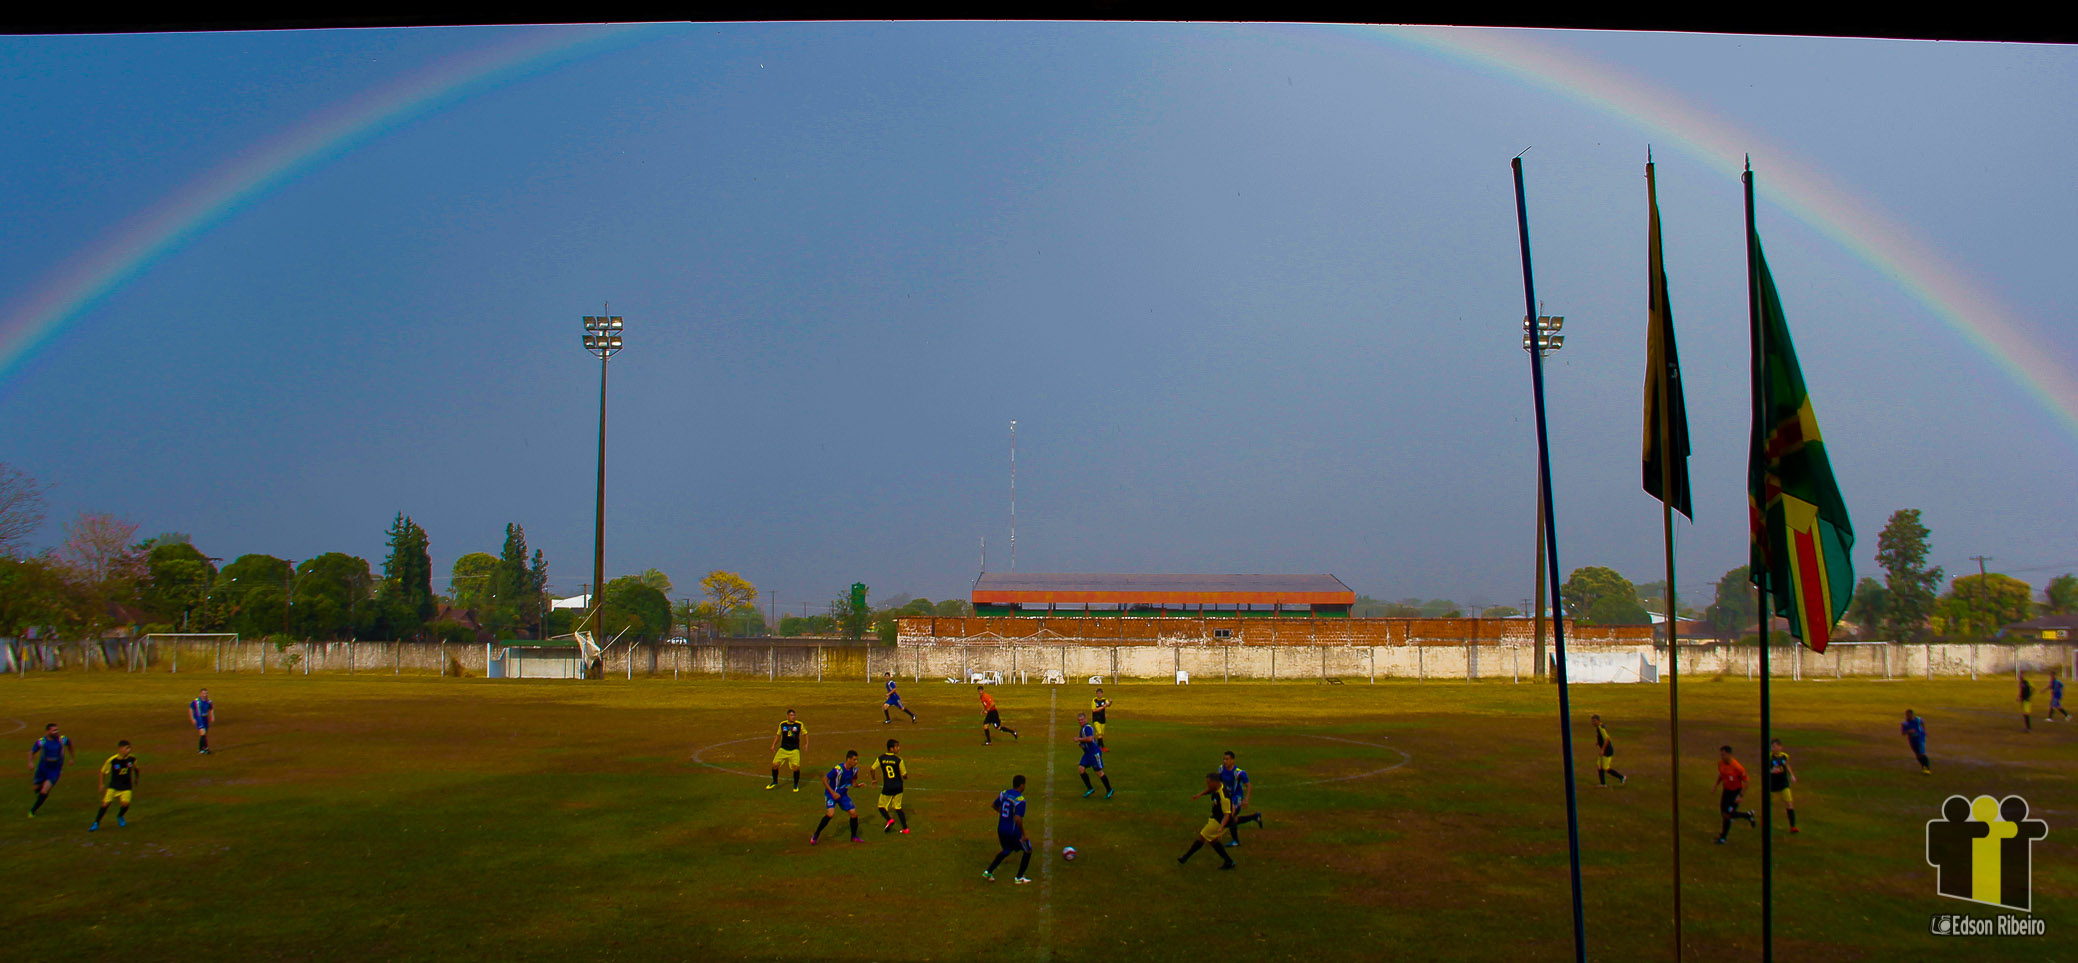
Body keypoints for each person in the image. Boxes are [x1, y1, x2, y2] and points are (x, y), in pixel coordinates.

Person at [1180, 772, 1237, 870]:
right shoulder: (1218, 787)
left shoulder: (1223, 796)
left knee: (1202, 837)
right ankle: (1229, 861)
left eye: (1209, 782)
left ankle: (1185, 857)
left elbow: (1227, 815)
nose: (1207, 784)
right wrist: (1199, 795)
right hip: (1215, 818)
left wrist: (1220, 828)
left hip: (1220, 821)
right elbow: (1210, 790)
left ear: (1215, 782)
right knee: (1212, 841)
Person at [984, 774, 1033, 883]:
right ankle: (1019, 877)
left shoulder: (1004, 793)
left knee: (1007, 850)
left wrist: (1003, 815)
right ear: (1021, 785)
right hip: (1012, 832)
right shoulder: (1020, 800)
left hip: (1001, 829)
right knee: (1028, 850)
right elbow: (1018, 819)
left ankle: (988, 871)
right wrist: (1023, 834)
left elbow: (994, 805)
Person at [811, 750, 863, 845]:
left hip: (843, 795)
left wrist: (857, 785)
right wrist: (833, 793)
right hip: (831, 794)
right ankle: (816, 835)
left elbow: (853, 783)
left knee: (854, 814)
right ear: (848, 759)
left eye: (857, 760)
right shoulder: (838, 769)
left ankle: (854, 836)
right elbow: (824, 780)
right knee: (830, 814)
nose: (856, 762)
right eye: (854, 760)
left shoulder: (855, 770)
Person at [89, 740, 139, 832]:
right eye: (127, 748)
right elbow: (102, 771)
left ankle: (120, 816)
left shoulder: (132, 759)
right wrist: (101, 784)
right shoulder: (112, 760)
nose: (129, 750)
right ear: (120, 749)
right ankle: (96, 823)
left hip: (126, 786)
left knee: (125, 804)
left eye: (129, 748)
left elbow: (136, 769)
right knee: (105, 804)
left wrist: (136, 779)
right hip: (114, 786)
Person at [1713, 745, 1756, 845]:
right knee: (1724, 813)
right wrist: (1715, 785)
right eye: (1721, 755)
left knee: (1728, 814)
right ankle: (1748, 815)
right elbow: (1721, 774)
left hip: (1735, 792)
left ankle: (1723, 837)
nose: (1722, 757)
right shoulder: (1720, 763)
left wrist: (1740, 795)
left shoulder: (1738, 767)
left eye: (1723, 755)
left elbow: (1747, 782)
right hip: (1726, 791)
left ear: (1729, 754)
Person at [28, 723, 73, 817]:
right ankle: (41, 793)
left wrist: (72, 758)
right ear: (48, 731)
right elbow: (32, 752)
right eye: (54, 730)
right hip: (42, 769)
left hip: (55, 770)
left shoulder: (62, 739)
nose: (56, 732)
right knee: (36, 788)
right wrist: (30, 762)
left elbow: (70, 745)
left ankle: (32, 811)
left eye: (57, 730)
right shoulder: (42, 741)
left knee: (45, 790)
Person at [1218, 751, 1262, 845]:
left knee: (1229, 815)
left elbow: (1249, 786)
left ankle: (1236, 841)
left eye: (1227, 759)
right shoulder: (1221, 769)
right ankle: (1254, 816)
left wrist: (1246, 799)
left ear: (1232, 760)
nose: (1225, 761)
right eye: (1224, 759)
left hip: (1236, 796)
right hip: (1227, 796)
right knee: (1232, 819)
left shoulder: (1238, 773)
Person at [872, 738, 911, 834]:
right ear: (891, 748)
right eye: (897, 746)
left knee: (881, 806)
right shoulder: (899, 760)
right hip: (898, 786)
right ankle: (905, 828)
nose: (899, 748)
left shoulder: (881, 758)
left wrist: (874, 779)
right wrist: (905, 777)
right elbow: (904, 775)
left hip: (888, 787)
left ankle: (889, 819)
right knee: (897, 807)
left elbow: (872, 768)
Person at [768, 709, 807, 791]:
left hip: (794, 750)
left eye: (794, 715)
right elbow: (778, 735)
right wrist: (773, 745)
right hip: (783, 749)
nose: (793, 717)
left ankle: (796, 785)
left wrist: (806, 743)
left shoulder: (799, 724)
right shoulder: (782, 724)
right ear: (787, 716)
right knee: (774, 765)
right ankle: (775, 781)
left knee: (796, 767)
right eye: (791, 715)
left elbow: (805, 734)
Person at [1074, 712, 1111, 798]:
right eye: (1079, 720)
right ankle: (1090, 788)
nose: (1080, 721)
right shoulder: (1082, 729)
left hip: (1094, 753)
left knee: (1099, 772)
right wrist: (1082, 744)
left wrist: (1079, 739)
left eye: (1082, 719)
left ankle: (1109, 789)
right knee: (1081, 769)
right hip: (1087, 754)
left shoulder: (1087, 728)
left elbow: (1090, 739)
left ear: (1086, 719)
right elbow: (1087, 741)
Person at [1767, 738, 1798, 834]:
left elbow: (1787, 765)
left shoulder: (1785, 756)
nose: (1773, 748)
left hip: (1784, 783)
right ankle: (1765, 821)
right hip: (1772, 784)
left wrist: (1792, 775)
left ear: (1780, 747)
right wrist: (1771, 771)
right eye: (1772, 747)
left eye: (1775, 746)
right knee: (1768, 804)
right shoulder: (1769, 757)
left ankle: (1793, 826)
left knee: (1789, 803)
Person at [1591, 714, 1626, 787]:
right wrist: (1598, 742)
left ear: (1598, 720)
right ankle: (1603, 784)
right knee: (1599, 766)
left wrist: (1602, 750)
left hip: (1607, 750)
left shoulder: (1601, 728)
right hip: (1605, 749)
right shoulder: (1599, 727)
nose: (1593, 723)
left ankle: (1621, 777)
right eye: (1592, 721)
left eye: (1594, 721)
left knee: (1605, 768)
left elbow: (1607, 739)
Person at [1902, 709, 1931, 774]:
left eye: (1908, 715)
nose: (1907, 716)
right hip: (1912, 739)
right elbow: (1903, 733)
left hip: (1920, 738)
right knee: (1917, 755)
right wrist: (1908, 731)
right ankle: (1923, 766)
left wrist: (1924, 731)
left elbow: (1922, 723)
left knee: (1922, 752)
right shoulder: (1905, 723)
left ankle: (1927, 768)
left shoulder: (1918, 719)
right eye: (1906, 715)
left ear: (1912, 714)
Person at [189, 688, 215, 754]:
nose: (205, 695)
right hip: (199, 719)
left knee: (204, 734)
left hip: (205, 719)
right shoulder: (196, 701)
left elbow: (211, 709)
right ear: (200, 694)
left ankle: (200, 749)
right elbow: (191, 709)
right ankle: (206, 748)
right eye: (203, 693)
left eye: (206, 693)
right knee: (203, 733)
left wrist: (212, 716)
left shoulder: (209, 702)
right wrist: (192, 718)